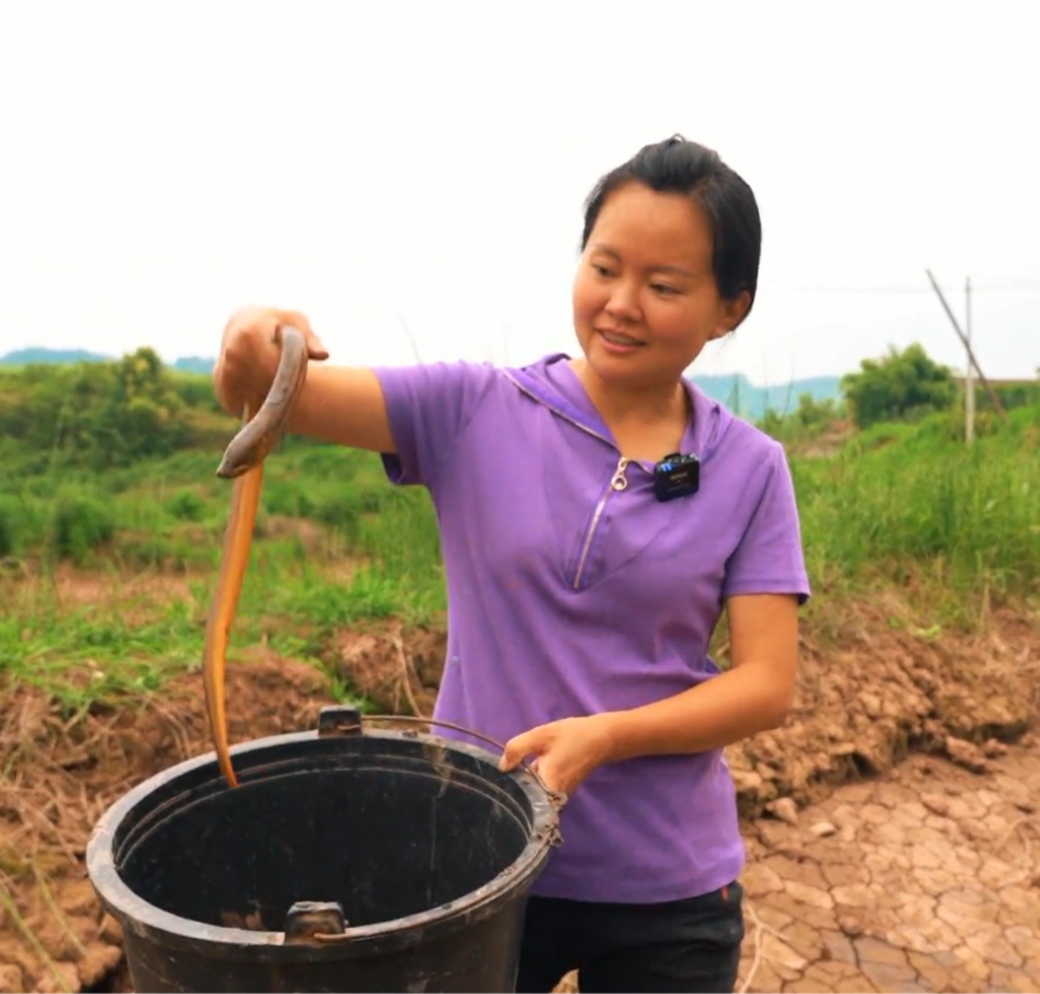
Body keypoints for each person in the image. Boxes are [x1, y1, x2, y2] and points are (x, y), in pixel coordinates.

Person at [212, 134, 810, 993]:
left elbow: (766, 684)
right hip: (478, 861)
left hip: (667, 884)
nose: (622, 304)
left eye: (664, 285)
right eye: (604, 268)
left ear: (729, 309)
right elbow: (264, 388)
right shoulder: (473, 408)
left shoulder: (750, 467)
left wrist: (607, 736)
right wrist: (252, 336)